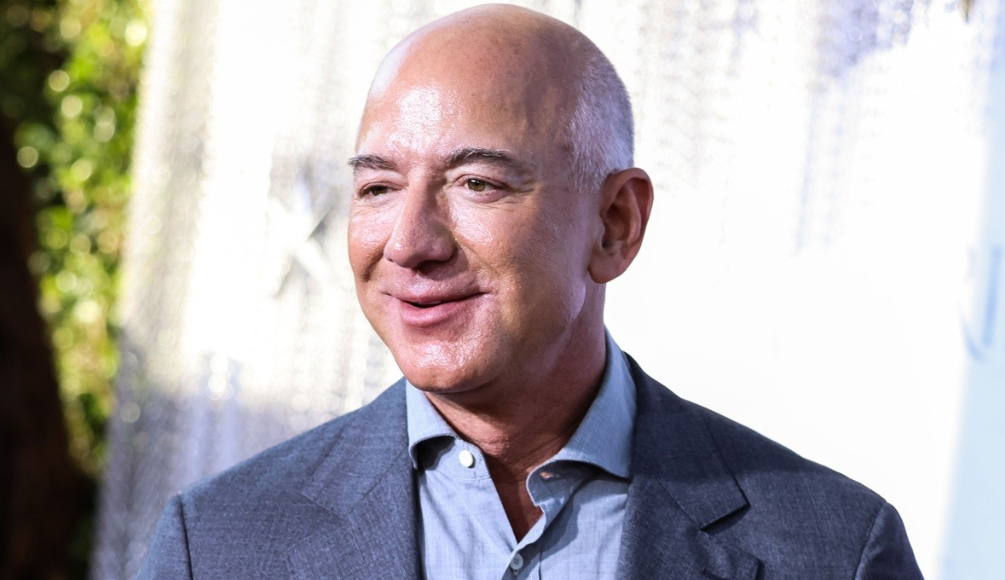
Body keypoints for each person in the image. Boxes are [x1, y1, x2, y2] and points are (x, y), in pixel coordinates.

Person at [138, 4, 923, 579]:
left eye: (476, 183)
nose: (409, 243)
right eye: (377, 187)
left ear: (614, 224)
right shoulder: (218, 544)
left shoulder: (831, 550)